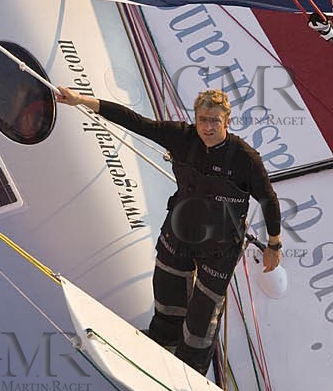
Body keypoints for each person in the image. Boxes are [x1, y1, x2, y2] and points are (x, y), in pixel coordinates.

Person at [56, 86, 282, 373]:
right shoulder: (182, 137)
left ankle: (191, 369)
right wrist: (80, 100)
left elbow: (268, 199)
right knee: (167, 295)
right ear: (195, 119)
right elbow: (134, 121)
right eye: (203, 119)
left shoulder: (245, 158)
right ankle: (163, 343)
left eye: (215, 121)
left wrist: (274, 245)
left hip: (219, 247)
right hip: (181, 231)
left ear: (227, 121)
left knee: (202, 318)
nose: (208, 127)